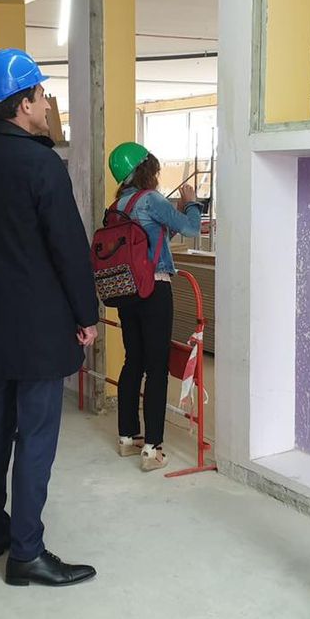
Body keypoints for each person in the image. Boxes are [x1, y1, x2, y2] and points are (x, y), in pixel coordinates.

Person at [0, 48, 99, 587]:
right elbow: (68, 248)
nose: (47, 104)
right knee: (35, 437)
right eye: (42, 94)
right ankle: (27, 553)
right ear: (23, 103)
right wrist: (86, 315)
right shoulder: (41, 165)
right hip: (38, 330)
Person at [107, 142, 204, 472]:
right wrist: (192, 204)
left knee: (133, 361)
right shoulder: (151, 199)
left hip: (126, 290)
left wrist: (175, 214)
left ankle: (127, 437)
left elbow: (152, 239)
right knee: (157, 366)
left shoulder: (117, 206)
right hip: (154, 289)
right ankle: (152, 448)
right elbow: (192, 228)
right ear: (146, 169)